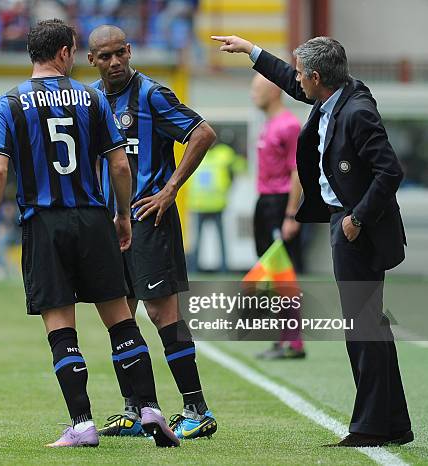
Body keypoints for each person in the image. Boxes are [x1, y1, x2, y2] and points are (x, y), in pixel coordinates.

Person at [0, 19, 179, 449]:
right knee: (121, 319)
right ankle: (149, 409)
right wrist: (123, 216)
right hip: (93, 218)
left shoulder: (8, 103)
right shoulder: (92, 98)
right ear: (66, 53)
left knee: (60, 327)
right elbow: (120, 164)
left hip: (44, 223)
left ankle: (82, 424)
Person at [212, 34, 413, 447]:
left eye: (303, 74)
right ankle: (393, 424)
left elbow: (390, 172)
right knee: (369, 325)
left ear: (318, 77)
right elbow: (288, 77)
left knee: (362, 328)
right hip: (348, 224)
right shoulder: (334, 95)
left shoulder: (356, 111)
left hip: (358, 230)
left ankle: (371, 427)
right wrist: (251, 51)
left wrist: (355, 218)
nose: (296, 81)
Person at [88, 24, 218, 440]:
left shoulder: (152, 95)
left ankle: (197, 408)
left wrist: (170, 189)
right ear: (91, 60)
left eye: (119, 54)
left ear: (129, 51)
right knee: (119, 317)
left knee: (164, 313)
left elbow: (203, 133)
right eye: (104, 57)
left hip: (149, 219)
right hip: (108, 224)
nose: (113, 63)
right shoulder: (88, 99)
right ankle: (136, 409)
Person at [250, 73, 306, 360]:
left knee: (284, 274)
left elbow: (297, 171)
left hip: (281, 204)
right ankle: (282, 337)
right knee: (270, 273)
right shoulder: (269, 124)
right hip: (265, 203)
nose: (252, 94)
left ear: (273, 91)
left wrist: (291, 214)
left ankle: (294, 343)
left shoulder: (289, 125)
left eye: (257, 89)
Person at [187, 140, 245, 273]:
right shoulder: (197, 153)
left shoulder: (223, 154)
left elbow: (239, 165)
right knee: (198, 241)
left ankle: (223, 269)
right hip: (199, 205)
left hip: (216, 204)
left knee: (220, 240)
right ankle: (194, 270)